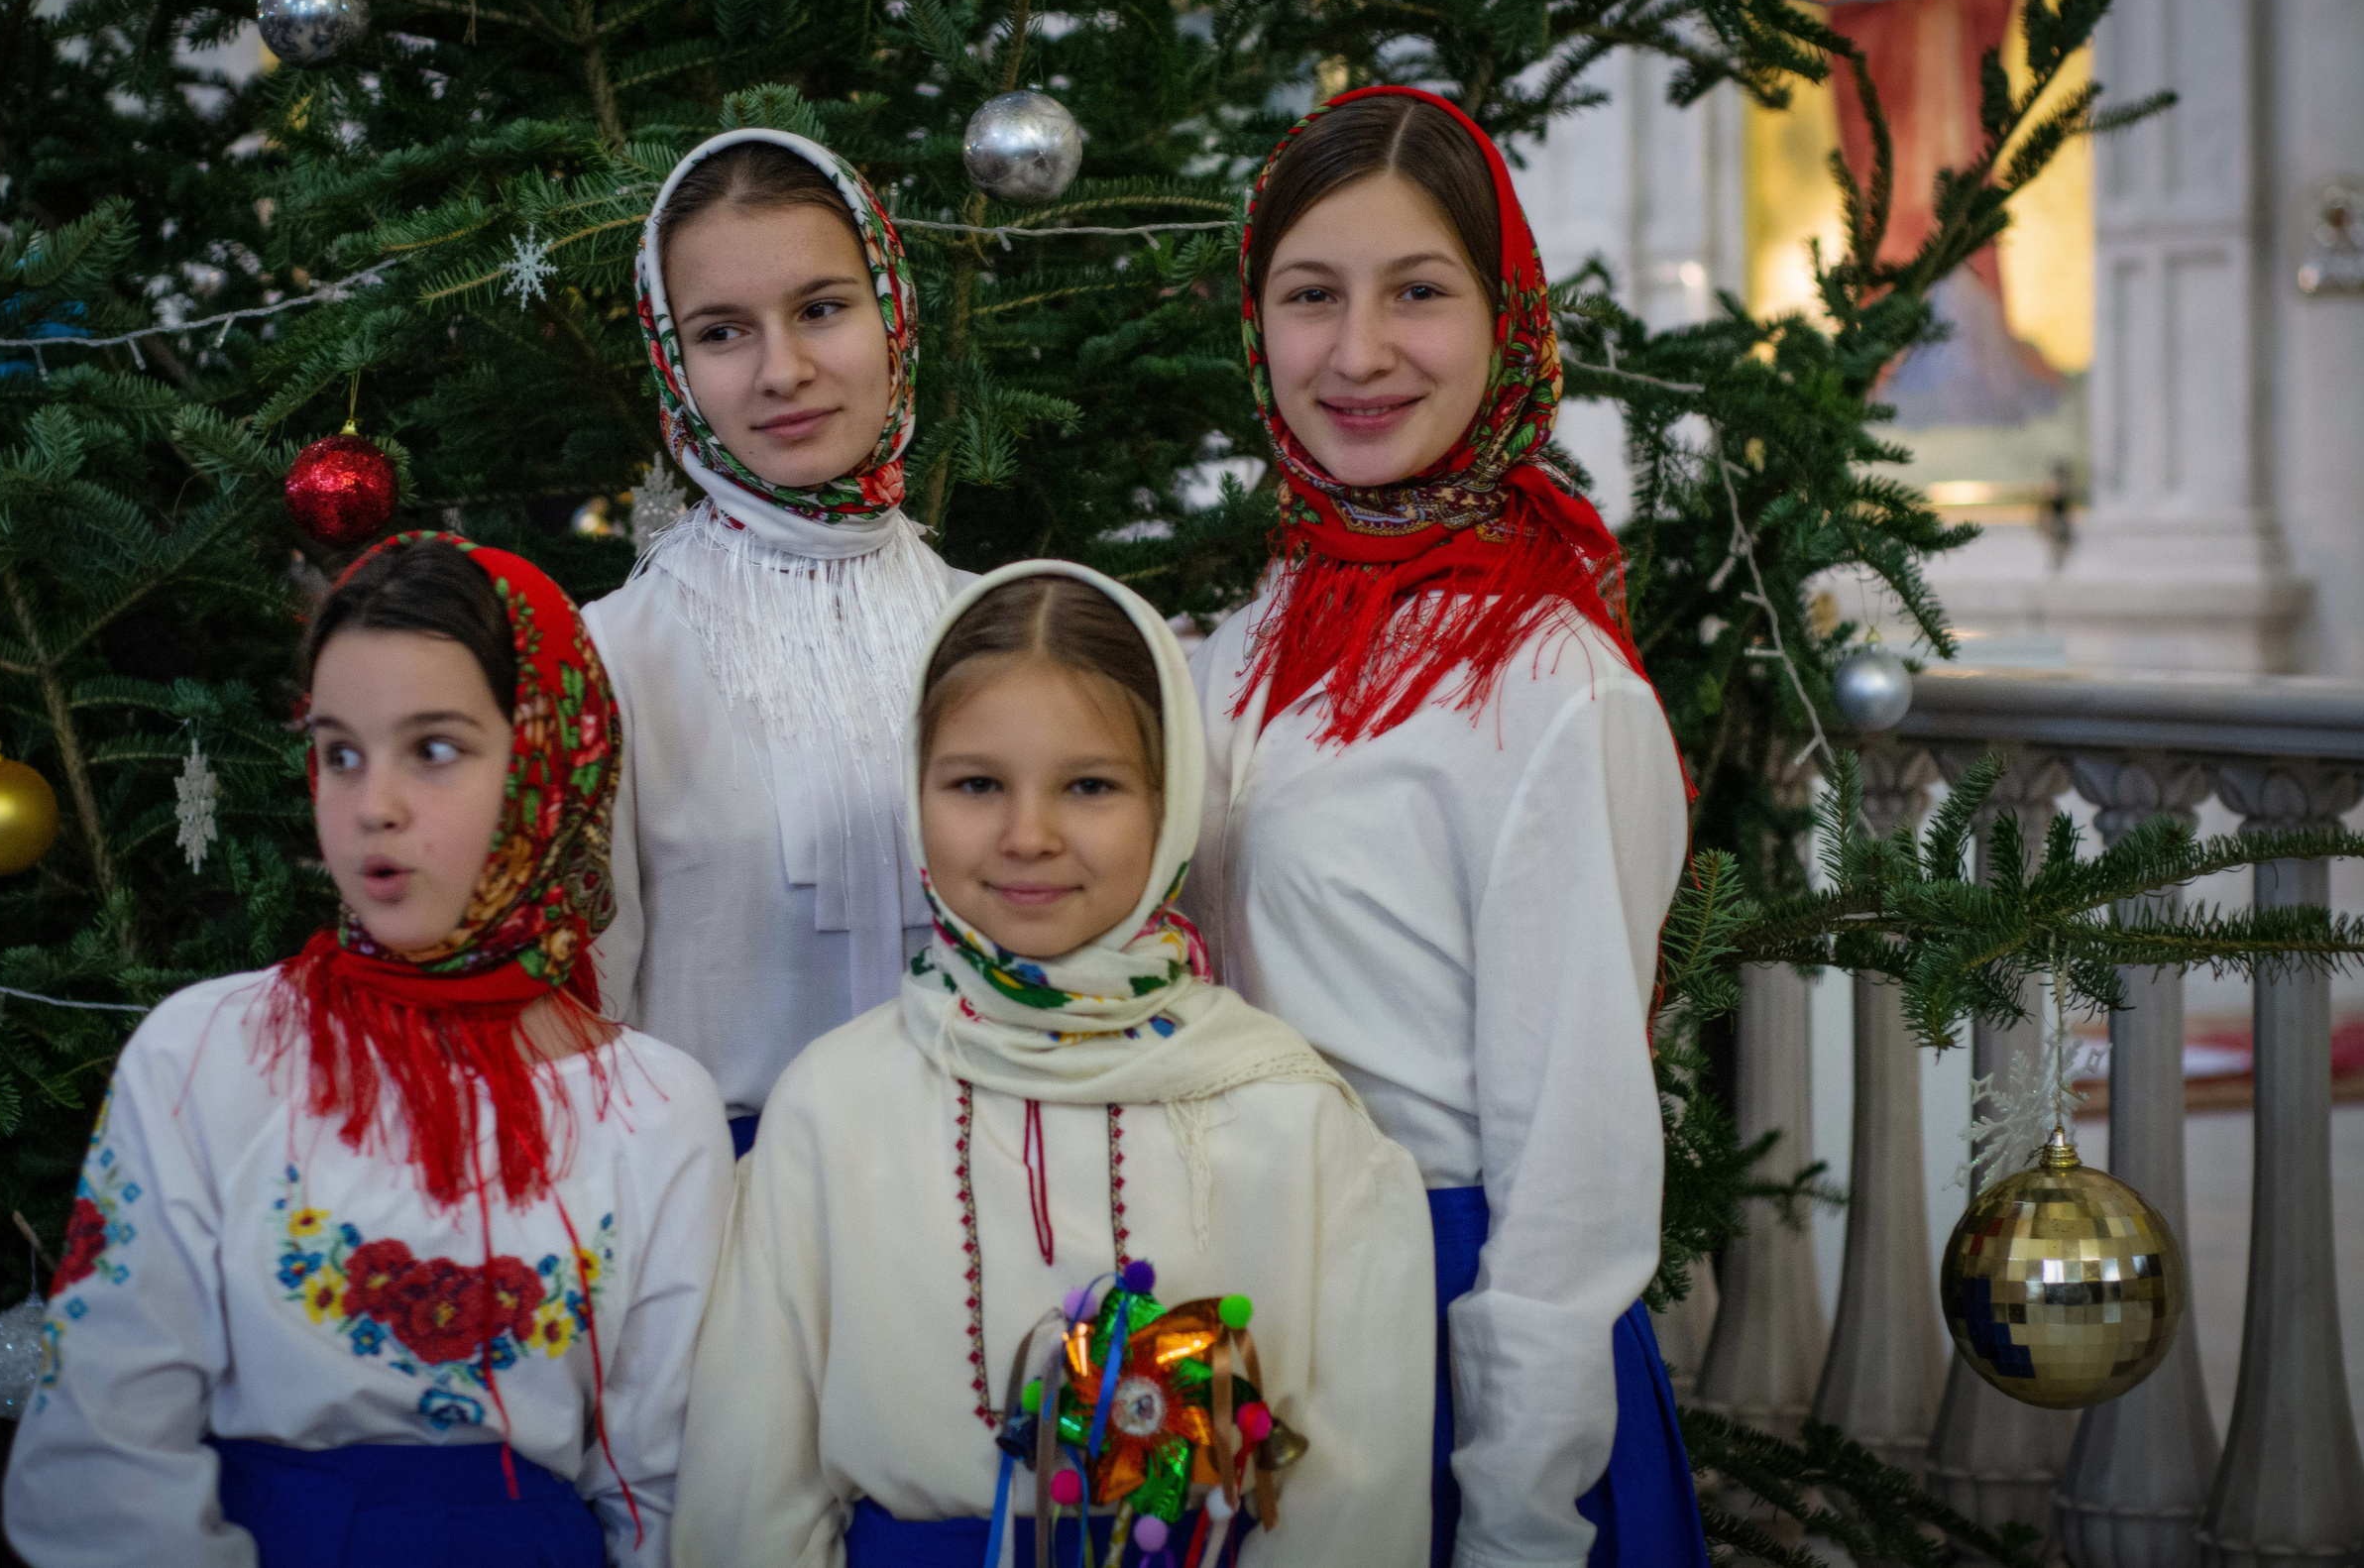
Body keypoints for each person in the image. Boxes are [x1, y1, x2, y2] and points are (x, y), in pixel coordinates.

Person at [1185, 86, 1706, 1568]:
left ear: (1506, 315)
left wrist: (1519, 1515)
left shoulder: (1553, 686)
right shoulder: (1246, 642)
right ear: (1257, 320)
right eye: (1310, 295)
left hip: (1453, 1333)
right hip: (1254, 1317)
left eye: (1417, 291)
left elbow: (1576, 1168)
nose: (1356, 353)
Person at [670, 561, 1434, 1567]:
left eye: (1090, 785)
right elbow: (751, 1495)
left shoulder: (1288, 1114)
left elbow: (1349, 1508)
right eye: (977, 784)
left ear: (1170, 805)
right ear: (915, 792)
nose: (1028, 836)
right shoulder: (832, 1105)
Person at [2, 533, 732, 1568]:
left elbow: (667, 1490)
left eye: (433, 748)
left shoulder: (653, 1108)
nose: (372, 805)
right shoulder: (207, 1054)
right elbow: (99, 1454)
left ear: (548, 762)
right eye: (340, 751)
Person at [589, 127, 967, 1156]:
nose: (782, 370)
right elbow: (583, 1022)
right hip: (719, 1223)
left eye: (820, 309)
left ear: (891, 313)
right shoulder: (612, 661)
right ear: (671, 360)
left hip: (990, 1228)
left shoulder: (997, 630)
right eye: (721, 332)